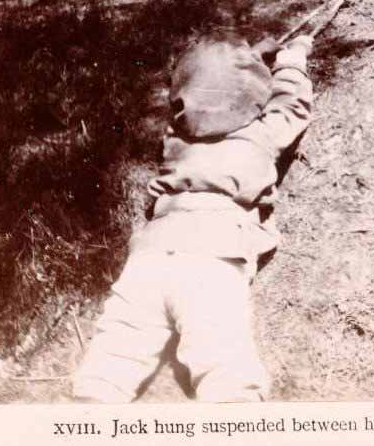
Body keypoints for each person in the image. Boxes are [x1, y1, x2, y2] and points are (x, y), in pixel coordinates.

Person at [71, 31, 314, 403]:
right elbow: (290, 105)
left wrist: (253, 55)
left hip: (151, 256)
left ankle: (90, 408)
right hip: (211, 256)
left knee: (114, 357)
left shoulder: (176, 137)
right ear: (253, 95)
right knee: (225, 369)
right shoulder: (262, 134)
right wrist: (293, 59)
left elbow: (208, 85)